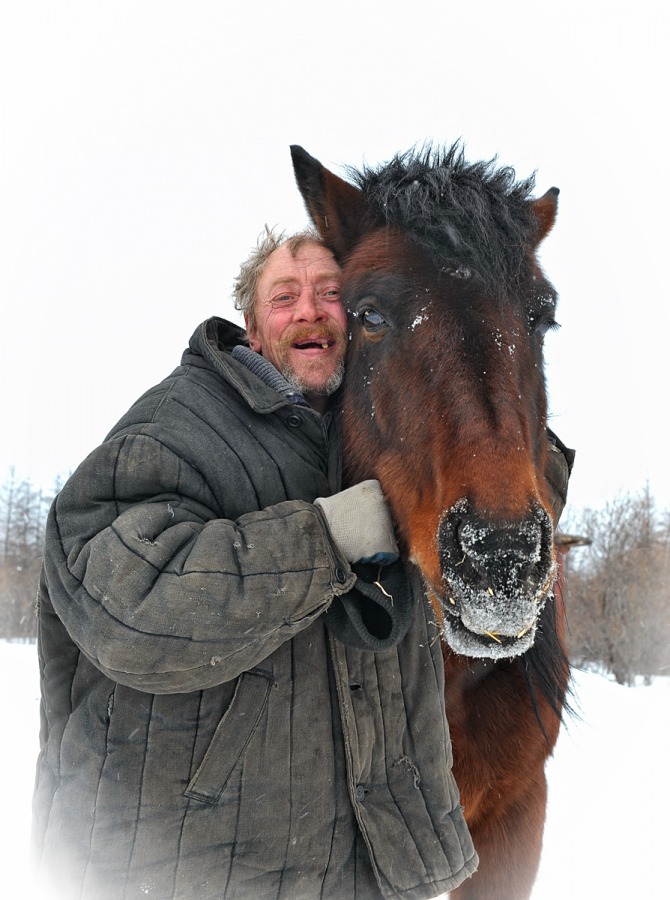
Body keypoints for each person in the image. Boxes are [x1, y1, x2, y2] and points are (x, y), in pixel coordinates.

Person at [32, 229, 481, 900]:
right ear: (250, 325)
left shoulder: (387, 433)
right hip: (183, 867)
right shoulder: (173, 427)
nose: (310, 311)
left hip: (362, 866)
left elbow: (493, 500)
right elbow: (131, 608)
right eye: (285, 296)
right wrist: (325, 539)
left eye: (330, 293)